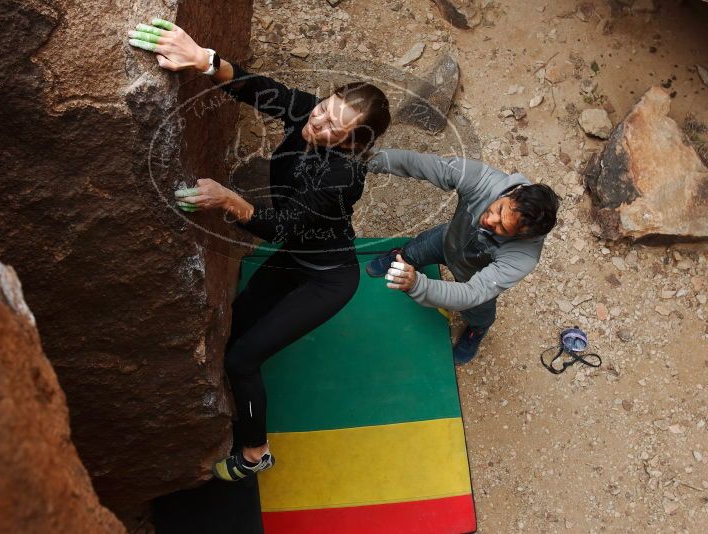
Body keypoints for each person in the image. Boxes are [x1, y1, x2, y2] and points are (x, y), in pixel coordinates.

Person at [128, 19, 391, 481]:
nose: (317, 121)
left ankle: (255, 453)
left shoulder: (341, 175)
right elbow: (263, 90)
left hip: (327, 278)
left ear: (353, 142)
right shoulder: (310, 115)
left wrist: (228, 200)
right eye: (323, 108)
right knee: (239, 323)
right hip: (296, 259)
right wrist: (203, 59)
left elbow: (283, 228)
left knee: (242, 359)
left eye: (333, 126)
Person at [366, 150, 559, 364]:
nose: (490, 221)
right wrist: (369, 160)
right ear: (514, 192)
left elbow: (471, 293)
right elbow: (423, 164)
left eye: (503, 228)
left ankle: (477, 330)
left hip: (472, 274)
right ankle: (401, 256)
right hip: (447, 240)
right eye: (499, 209)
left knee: (478, 312)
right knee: (412, 251)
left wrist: (418, 285)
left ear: (521, 237)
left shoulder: (523, 257)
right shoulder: (481, 179)